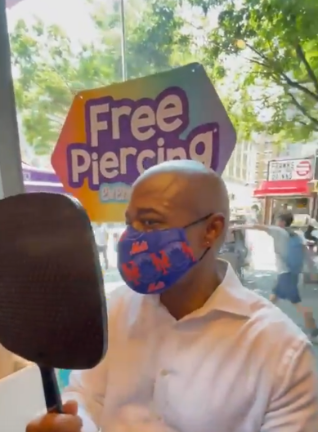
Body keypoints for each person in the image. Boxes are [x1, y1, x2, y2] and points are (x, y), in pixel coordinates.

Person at [27, 160, 318, 432]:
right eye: (131, 223)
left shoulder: (282, 353)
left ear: (211, 230)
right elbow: (86, 394)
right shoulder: (117, 308)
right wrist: (74, 424)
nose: (134, 239)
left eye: (151, 222)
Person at [242, 212, 318, 342]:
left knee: (297, 304)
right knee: (271, 300)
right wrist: (311, 270)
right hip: (291, 273)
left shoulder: (279, 231)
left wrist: (238, 226)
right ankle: (258, 325)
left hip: (285, 274)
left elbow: (258, 226)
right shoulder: (296, 235)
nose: (276, 222)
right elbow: (306, 254)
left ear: (282, 222)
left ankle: (314, 331)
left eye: (277, 219)